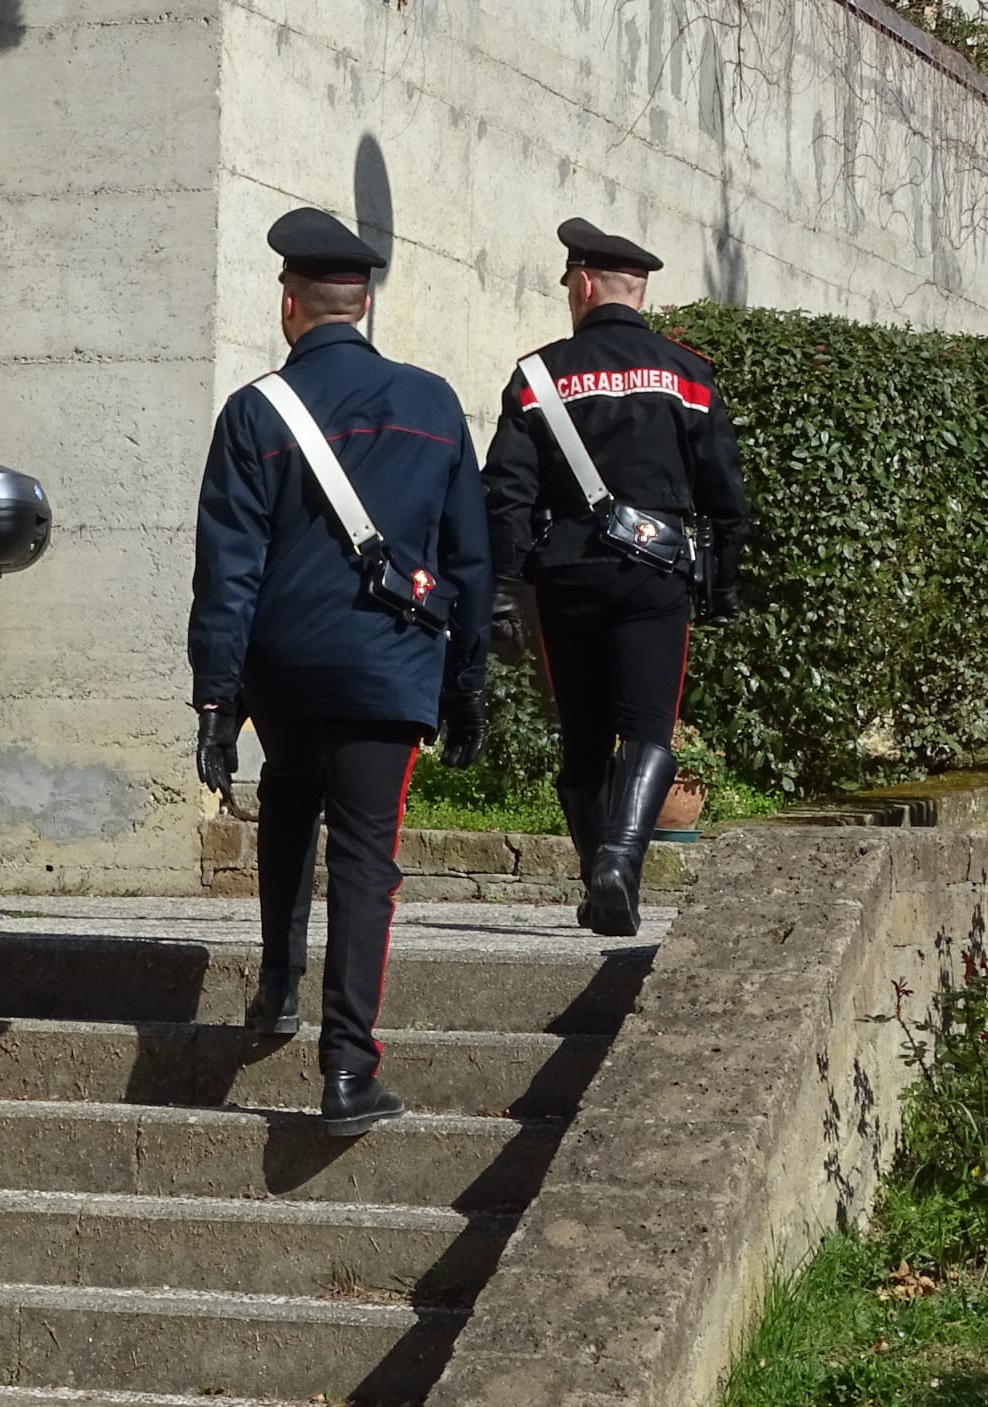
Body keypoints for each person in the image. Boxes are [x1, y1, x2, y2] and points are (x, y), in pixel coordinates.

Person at [187, 207, 493, 1138]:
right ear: (364, 303)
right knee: (366, 860)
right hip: (389, 668)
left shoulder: (253, 412)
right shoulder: (435, 404)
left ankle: (278, 985)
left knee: (287, 796)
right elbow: (473, 560)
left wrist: (217, 697)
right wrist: (467, 682)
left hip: (283, 670)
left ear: (291, 306)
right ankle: (349, 1070)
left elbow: (227, 567)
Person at [482, 218, 749, 938]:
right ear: (639, 294)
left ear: (587, 284)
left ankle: (599, 872)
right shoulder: (687, 374)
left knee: (583, 739)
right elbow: (725, 494)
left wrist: (505, 586)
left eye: (571, 283)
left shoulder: (538, 376)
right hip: (655, 579)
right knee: (649, 729)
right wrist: (720, 589)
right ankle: (619, 865)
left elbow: (505, 491)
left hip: (566, 578)